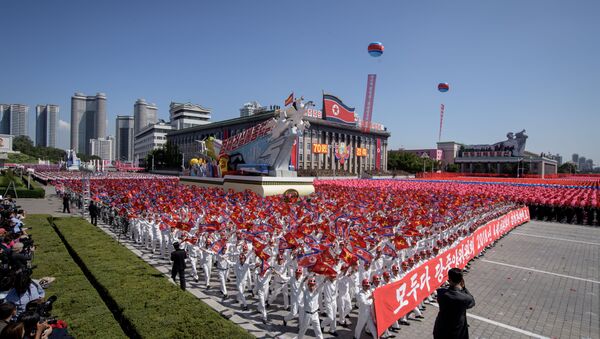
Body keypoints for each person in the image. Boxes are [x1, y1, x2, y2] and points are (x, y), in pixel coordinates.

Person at [433, 268, 476, 339]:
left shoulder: (441, 293)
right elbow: (472, 302)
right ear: (461, 280)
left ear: (449, 280)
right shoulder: (465, 298)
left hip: (441, 329)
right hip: (458, 331)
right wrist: (464, 288)